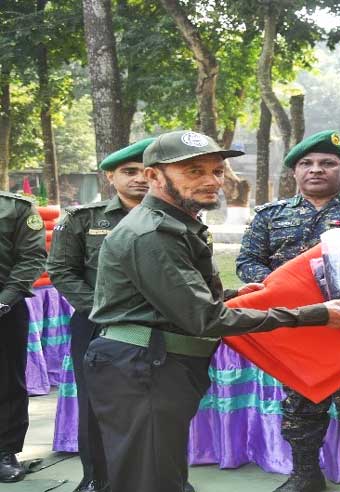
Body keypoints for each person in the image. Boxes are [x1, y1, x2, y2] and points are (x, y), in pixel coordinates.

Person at [83, 130, 340, 492]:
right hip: (144, 366)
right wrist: (315, 314)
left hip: (158, 363)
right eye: (194, 171)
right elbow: (207, 318)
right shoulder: (153, 232)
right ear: (153, 176)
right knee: (148, 478)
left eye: (216, 171)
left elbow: (179, 296)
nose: (211, 181)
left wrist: (236, 293)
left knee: (160, 470)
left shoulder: (176, 224)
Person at [236, 130, 340, 492]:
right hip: (297, 324)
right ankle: (305, 475)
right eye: (306, 164)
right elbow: (247, 261)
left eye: (327, 163)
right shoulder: (269, 216)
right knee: (299, 403)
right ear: (294, 172)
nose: (316, 170)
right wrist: (277, 287)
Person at [49, 137, 200, 492]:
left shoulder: (178, 218)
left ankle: (168, 480)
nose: (138, 179)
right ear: (109, 177)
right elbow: (62, 271)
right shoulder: (84, 219)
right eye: (127, 172)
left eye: (143, 172)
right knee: (96, 404)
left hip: (163, 327)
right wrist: (102, 310)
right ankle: (96, 478)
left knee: (164, 410)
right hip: (97, 326)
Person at [0, 191, 46, 483]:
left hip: (4, 309)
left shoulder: (15, 208)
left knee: (6, 382)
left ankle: (4, 451)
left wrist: (4, 300)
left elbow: (31, 257)